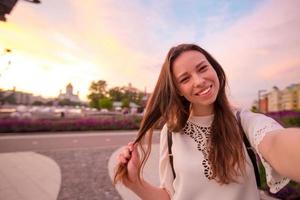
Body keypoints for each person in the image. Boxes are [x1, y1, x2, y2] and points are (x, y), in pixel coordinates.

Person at [113, 44, 300, 200]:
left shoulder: (244, 122)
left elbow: (275, 142)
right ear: (178, 90)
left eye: (202, 68)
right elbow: (170, 196)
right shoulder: (171, 133)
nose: (199, 80)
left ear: (214, 69)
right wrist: (135, 182)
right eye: (185, 79)